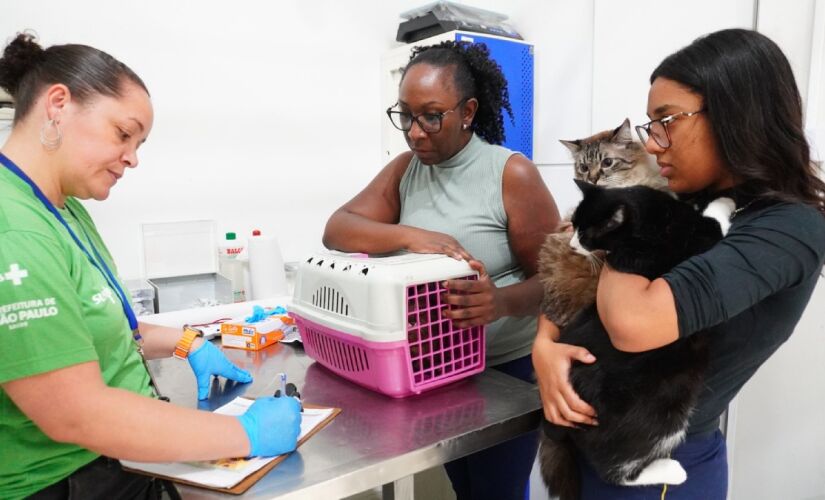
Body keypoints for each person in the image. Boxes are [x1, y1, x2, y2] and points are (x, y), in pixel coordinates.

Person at [0, 33, 301, 500]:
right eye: (124, 133)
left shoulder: (63, 207)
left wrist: (186, 342)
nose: (133, 158)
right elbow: (75, 412)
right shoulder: (13, 229)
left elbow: (95, 327)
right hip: (62, 483)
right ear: (58, 104)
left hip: (114, 466)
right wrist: (246, 435)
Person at [532, 28, 825, 499]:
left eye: (667, 120)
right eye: (651, 125)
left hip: (659, 459)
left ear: (737, 113)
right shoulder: (693, 200)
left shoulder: (788, 228)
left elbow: (632, 321)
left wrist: (617, 227)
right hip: (592, 440)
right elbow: (570, 279)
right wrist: (544, 347)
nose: (652, 144)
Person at [323, 40, 560, 500]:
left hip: (505, 375)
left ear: (468, 111)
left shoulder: (511, 174)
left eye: (431, 116)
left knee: (496, 493)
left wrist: (501, 303)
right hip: (436, 371)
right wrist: (410, 236)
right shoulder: (406, 170)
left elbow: (559, 282)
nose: (414, 132)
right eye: (405, 116)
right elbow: (338, 228)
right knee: (465, 490)